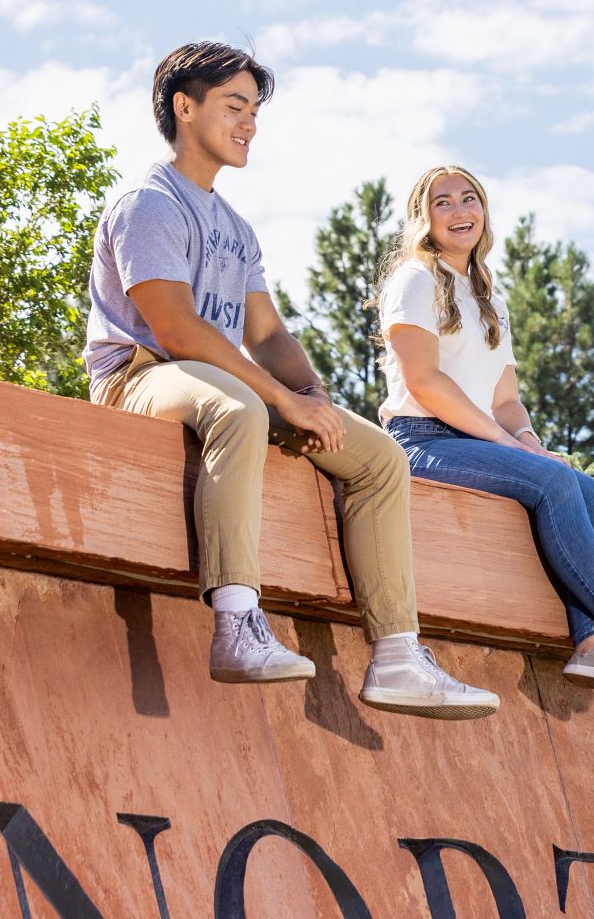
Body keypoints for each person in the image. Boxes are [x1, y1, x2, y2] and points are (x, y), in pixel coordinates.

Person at [84, 41, 496, 718]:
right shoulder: (148, 203)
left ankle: (396, 655)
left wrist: (315, 400)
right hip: (141, 374)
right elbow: (178, 329)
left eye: (255, 111)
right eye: (234, 106)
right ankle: (238, 624)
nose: (249, 123)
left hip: (220, 377)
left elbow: (268, 335)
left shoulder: (235, 227)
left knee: (380, 457)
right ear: (184, 107)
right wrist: (279, 401)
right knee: (242, 409)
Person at [376, 165, 594, 694]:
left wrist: (530, 443)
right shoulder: (415, 280)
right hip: (421, 439)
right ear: (423, 218)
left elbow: (505, 400)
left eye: (469, 199)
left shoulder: (488, 299)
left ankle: (593, 649)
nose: (460, 212)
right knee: (552, 484)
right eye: (443, 203)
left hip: (476, 440)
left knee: (590, 492)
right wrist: (508, 445)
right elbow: (425, 380)